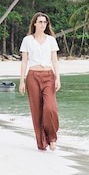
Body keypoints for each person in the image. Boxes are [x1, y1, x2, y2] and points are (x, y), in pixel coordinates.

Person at [19, 12, 61, 151]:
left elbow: (55, 60)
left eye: (45, 22)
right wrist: (21, 81)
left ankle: (52, 138)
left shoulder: (51, 40)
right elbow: (24, 61)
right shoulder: (27, 40)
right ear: (35, 23)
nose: (43, 24)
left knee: (50, 108)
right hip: (32, 77)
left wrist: (58, 78)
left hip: (49, 76)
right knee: (37, 112)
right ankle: (42, 143)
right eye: (40, 22)